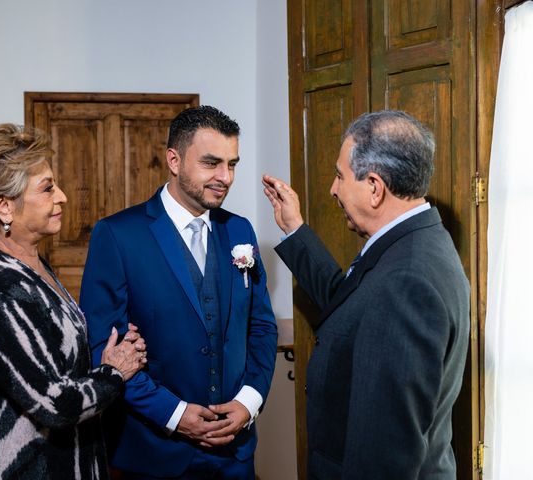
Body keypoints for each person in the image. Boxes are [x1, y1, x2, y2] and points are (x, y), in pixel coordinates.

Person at [262, 110, 470, 479]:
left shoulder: (405, 281)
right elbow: (351, 306)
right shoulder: (417, 241)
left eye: (340, 176)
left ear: (374, 186)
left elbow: (383, 455)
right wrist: (295, 230)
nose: (333, 188)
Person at [80, 105, 278, 479]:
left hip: (235, 453)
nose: (225, 177)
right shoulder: (119, 235)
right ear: (174, 160)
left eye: (232, 164)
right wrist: (174, 414)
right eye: (211, 163)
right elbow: (100, 346)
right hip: (153, 454)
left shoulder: (240, 232)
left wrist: (248, 402)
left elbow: (262, 327)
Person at [0, 123, 147, 479]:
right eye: (47, 188)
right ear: (3, 206)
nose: (63, 197)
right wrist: (115, 371)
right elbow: (56, 404)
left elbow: (51, 361)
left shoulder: (32, 265)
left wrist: (106, 356)